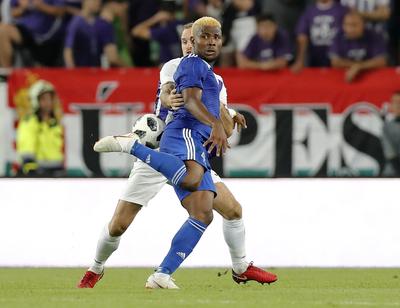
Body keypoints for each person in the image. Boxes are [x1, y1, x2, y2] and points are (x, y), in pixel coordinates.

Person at [80, 17, 277, 289]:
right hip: (163, 147)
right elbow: (168, 93)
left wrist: (229, 116)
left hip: (191, 147)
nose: (189, 45)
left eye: (196, 39)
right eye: (186, 40)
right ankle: (96, 268)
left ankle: (239, 266)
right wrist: (169, 99)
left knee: (230, 210)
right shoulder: (176, 65)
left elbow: (215, 114)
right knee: (119, 225)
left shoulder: (216, 79)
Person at [16, 80, 64, 176]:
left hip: (56, 171)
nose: (48, 102)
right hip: (38, 172)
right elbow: (27, 147)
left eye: (50, 99)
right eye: (44, 99)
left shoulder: (54, 123)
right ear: (35, 101)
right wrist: (30, 167)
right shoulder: (29, 122)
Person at [0, 0, 66, 67]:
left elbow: (61, 11)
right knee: (2, 30)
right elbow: (11, 13)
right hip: (24, 30)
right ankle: (7, 72)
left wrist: (40, 6)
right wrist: (23, 8)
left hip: (45, 35)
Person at [329, 11, 387, 82]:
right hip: (344, 77)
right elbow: (335, 62)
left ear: (363, 24)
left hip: (371, 78)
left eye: (354, 25)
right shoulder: (338, 36)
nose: (350, 29)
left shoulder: (374, 35)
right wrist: (356, 66)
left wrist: (358, 67)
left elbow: (381, 61)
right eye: (347, 25)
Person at [64, 0, 124, 67]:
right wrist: (72, 72)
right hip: (81, 71)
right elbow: (68, 50)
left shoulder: (98, 22)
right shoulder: (76, 23)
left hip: (96, 71)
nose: (98, 3)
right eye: (95, 0)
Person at [291, 0, 347, 72]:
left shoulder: (342, 10)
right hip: (315, 58)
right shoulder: (309, 11)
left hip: (339, 59)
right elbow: (302, 36)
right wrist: (300, 60)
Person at [131, 1, 182, 65]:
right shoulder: (182, 23)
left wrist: (155, 19)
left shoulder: (165, 31)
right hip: (182, 65)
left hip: (168, 66)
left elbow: (135, 32)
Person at [381, 91, 400, 176]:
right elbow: (391, 156)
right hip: (394, 173)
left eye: (399, 103)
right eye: (394, 103)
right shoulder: (388, 127)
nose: (397, 106)